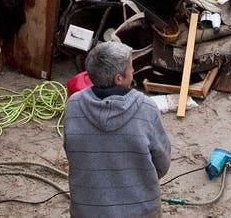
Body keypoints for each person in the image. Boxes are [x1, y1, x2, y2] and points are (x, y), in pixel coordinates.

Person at [63, 41, 171, 217]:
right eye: (130, 67)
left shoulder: (74, 105)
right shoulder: (146, 108)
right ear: (118, 79)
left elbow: (72, 152)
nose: (133, 70)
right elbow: (162, 164)